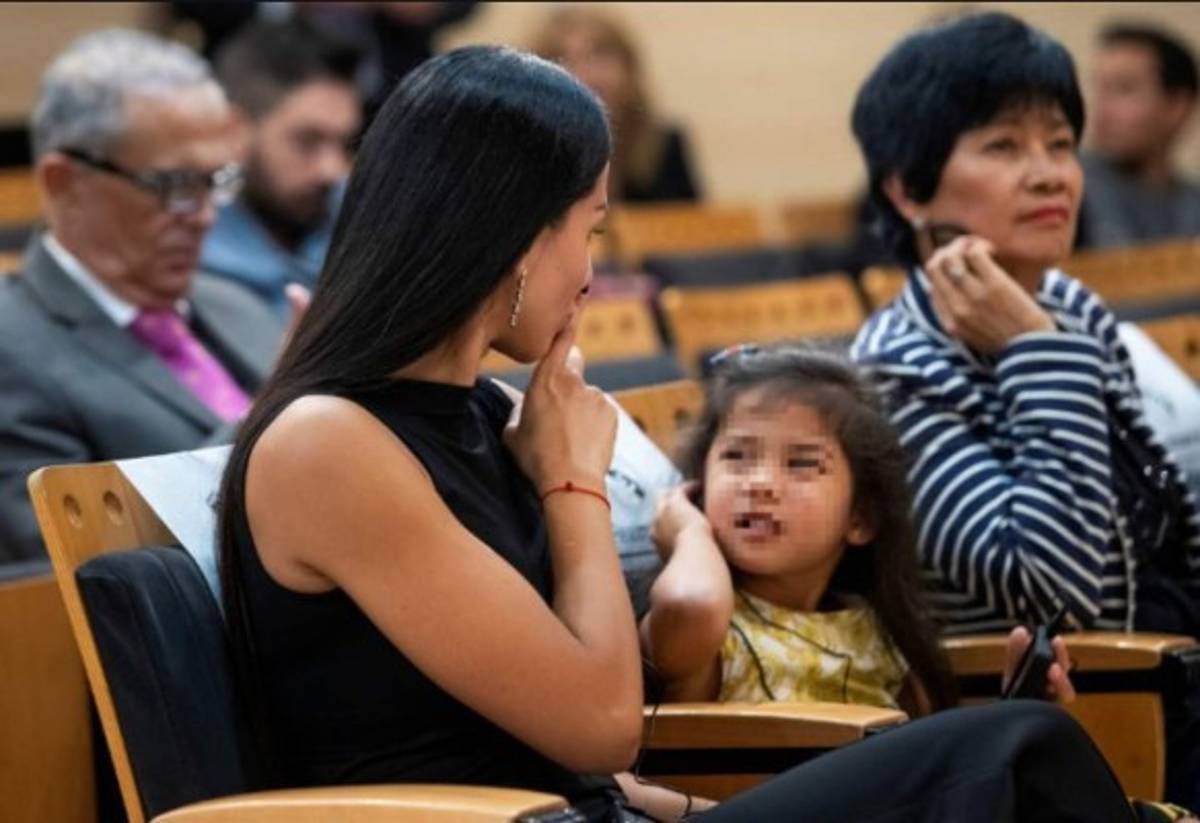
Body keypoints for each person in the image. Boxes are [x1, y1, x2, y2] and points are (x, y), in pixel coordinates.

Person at [216, 44, 1137, 823]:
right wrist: (571, 483)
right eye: (592, 228)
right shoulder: (327, 442)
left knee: (1001, 756)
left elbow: (581, 747)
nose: (594, 268)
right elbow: (600, 719)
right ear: (516, 238)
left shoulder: (486, 413)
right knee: (1015, 753)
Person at [849, 11, 1200, 808]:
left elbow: (1163, 528)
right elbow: (1053, 593)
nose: (1050, 175)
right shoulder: (892, 372)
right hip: (1087, 719)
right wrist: (1036, 352)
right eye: (1004, 146)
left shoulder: (1070, 306)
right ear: (907, 189)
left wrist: (1043, 339)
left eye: (1061, 144)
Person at [0, 30, 289, 565]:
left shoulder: (235, 303)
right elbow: (69, 574)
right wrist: (284, 405)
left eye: (215, 181)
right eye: (174, 185)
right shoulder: (10, 345)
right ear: (64, 183)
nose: (204, 214)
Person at [201, 18, 362, 315]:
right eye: (307, 141)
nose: (333, 170)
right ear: (234, 130)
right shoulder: (185, 257)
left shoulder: (361, 228)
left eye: (346, 144)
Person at [531, 8, 701, 204]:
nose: (585, 75)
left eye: (599, 55)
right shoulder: (526, 153)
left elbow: (695, 227)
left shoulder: (664, 146)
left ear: (629, 67)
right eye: (563, 60)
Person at [1078, 23, 1200, 249]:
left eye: (1124, 89)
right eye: (1100, 89)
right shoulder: (1069, 190)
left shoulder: (1193, 205)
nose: (1103, 110)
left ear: (1178, 106)